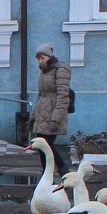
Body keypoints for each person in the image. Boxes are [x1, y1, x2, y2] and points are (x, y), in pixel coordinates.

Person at [31, 43, 71, 176]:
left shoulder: (60, 69)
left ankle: (63, 170)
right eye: (38, 58)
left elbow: (63, 95)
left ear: (49, 56)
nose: (40, 61)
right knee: (41, 146)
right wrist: (34, 114)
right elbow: (41, 95)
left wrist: (56, 117)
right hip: (42, 113)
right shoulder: (44, 71)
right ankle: (47, 175)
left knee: (47, 145)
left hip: (53, 112)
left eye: (42, 58)